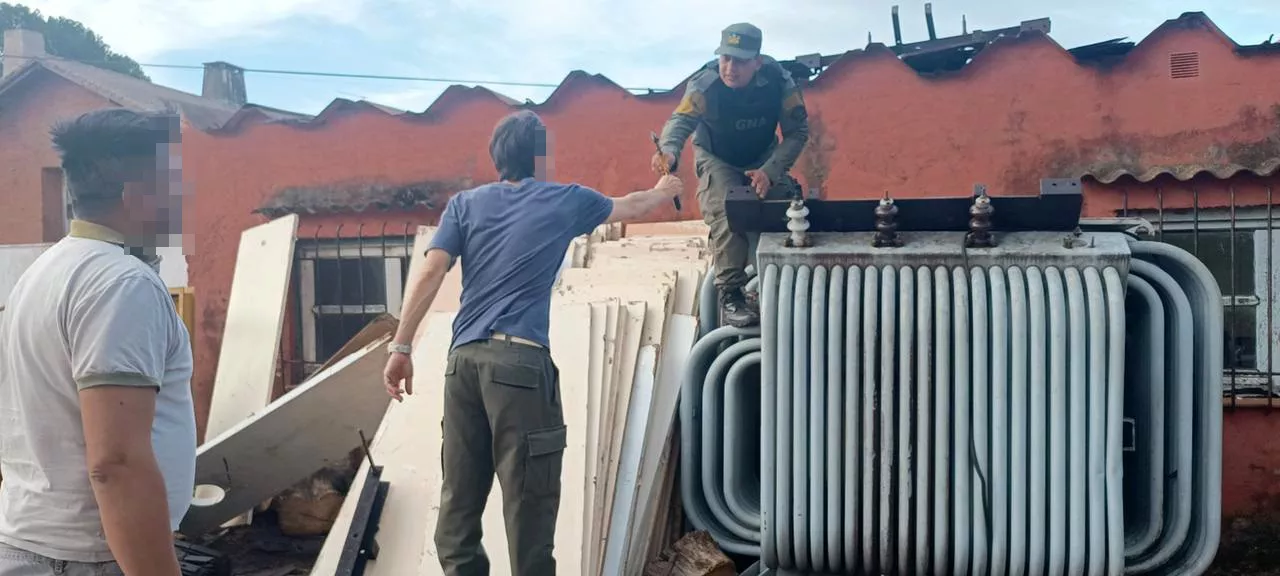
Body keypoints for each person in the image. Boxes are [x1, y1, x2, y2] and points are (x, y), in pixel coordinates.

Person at [382, 109, 683, 576]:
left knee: (458, 507)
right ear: (540, 156)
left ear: (498, 157)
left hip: (462, 364)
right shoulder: (564, 200)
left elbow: (430, 270)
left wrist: (401, 349)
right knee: (529, 511)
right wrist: (665, 190)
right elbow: (633, 206)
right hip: (519, 365)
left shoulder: (464, 205)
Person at [0, 108, 194, 576]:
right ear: (135, 196)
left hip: (39, 542)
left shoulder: (42, 273)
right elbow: (116, 463)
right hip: (88, 557)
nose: (181, 199)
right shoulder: (121, 282)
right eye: (172, 185)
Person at [653, 22, 810, 328]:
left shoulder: (779, 81)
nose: (730, 67)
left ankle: (787, 285)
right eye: (725, 58)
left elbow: (798, 131)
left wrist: (770, 171)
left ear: (757, 62)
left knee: (788, 210)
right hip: (716, 156)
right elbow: (681, 119)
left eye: (739, 61)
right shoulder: (705, 83)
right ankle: (731, 294)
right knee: (727, 209)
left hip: (763, 154)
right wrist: (669, 150)